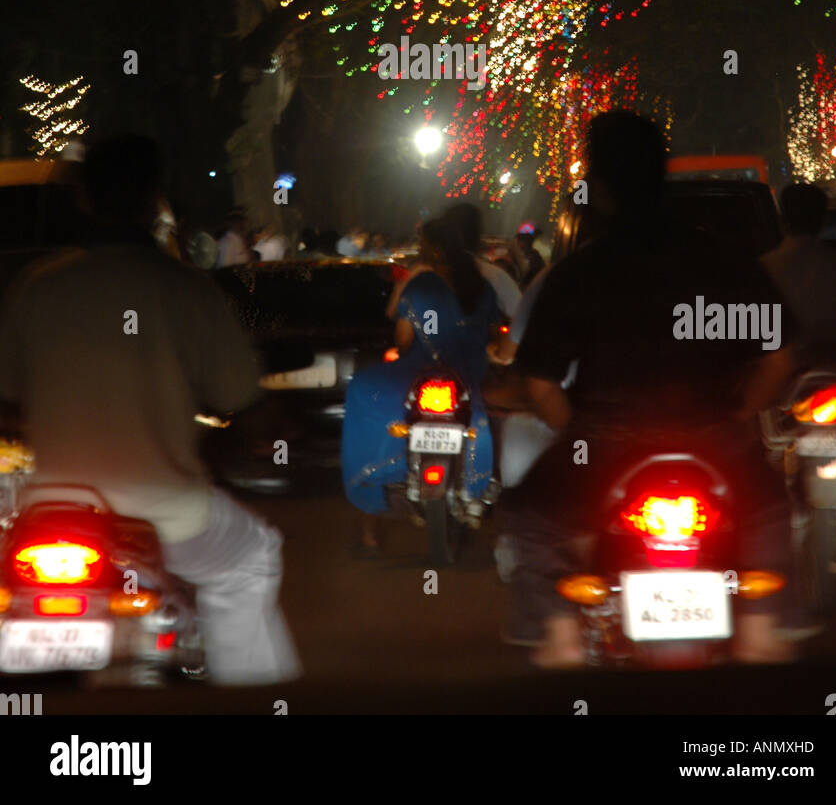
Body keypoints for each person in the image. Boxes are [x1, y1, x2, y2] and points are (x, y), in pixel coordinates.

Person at [0, 135, 300, 686]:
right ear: (154, 201)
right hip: (169, 517)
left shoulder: (36, 289)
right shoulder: (185, 289)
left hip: (53, 514)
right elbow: (245, 403)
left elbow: (8, 400)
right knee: (252, 559)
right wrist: (256, 432)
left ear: (83, 199)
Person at [502, 112, 797, 667]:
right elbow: (780, 356)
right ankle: (760, 629)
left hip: (607, 442)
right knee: (769, 507)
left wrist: (578, 434)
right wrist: (739, 413)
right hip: (713, 437)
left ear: (601, 185)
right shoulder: (724, 260)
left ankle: (563, 636)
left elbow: (538, 381)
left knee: (529, 514)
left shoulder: (579, 273)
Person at [342, 216, 502, 552]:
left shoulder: (421, 287)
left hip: (418, 374)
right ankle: (480, 488)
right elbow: (490, 335)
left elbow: (402, 341)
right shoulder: (482, 286)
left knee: (361, 388)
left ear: (435, 248)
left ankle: (372, 519)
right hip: (470, 376)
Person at [761, 183, 836, 358]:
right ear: (821, 219)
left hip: (781, 364)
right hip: (831, 358)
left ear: (782, 218)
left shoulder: (765, 266)